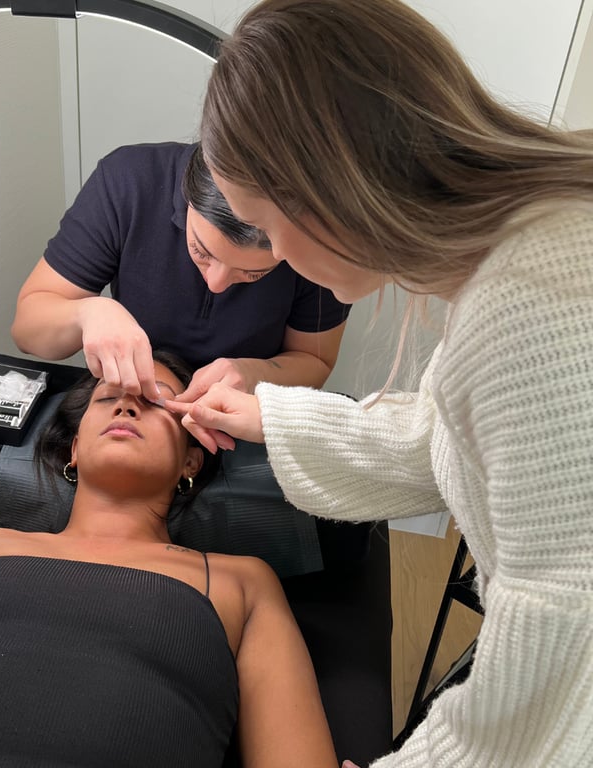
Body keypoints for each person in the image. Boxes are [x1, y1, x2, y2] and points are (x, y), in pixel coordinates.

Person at [165, 1, 593, 766]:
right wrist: (274, 418)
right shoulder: (536, 242)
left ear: (330, 188)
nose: (277, 259)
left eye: (266, 231)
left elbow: (564, 628)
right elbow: (456, 439)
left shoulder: (529, 305)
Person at [0, 351, 340, 768]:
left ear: (191, 459)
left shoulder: (242, 582)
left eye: (155, 402)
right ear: (73, 450)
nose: (126, 406)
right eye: (108, 398)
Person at [11, 142, 350, 404]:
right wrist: (88, 314)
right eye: (201, 252)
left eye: (252, 274)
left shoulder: (321, 240)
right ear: (185, 197)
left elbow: (314, 360)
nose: (216, 284)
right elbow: (27, 331)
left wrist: (254, 375)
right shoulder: (129, 183)